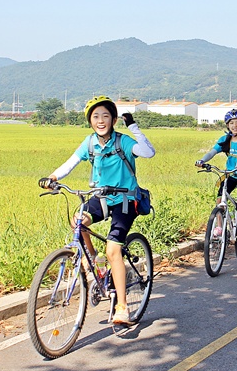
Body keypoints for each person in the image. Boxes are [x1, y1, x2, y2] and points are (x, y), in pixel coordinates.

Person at [38, 96, 155, 325]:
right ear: (90, 120)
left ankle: (122, 307)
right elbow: (70, 163)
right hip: (101, 197)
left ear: (113, 119)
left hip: (125, 200)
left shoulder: (124, 142)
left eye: (105, 116)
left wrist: (133, 126)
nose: (100, 120)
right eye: (95, 116)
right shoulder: (90, 143)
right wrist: (52, 177)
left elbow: (148, 152)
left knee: (113, 251)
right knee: (78, 222)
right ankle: (94, 259)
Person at [195, 109, 237, 243]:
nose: (234, 126)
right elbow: (212, 152)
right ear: (227, 125)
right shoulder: (225, 140)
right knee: (220, 199)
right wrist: (202, 161)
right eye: (231, 123)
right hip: (230, 174)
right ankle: (219, 227)